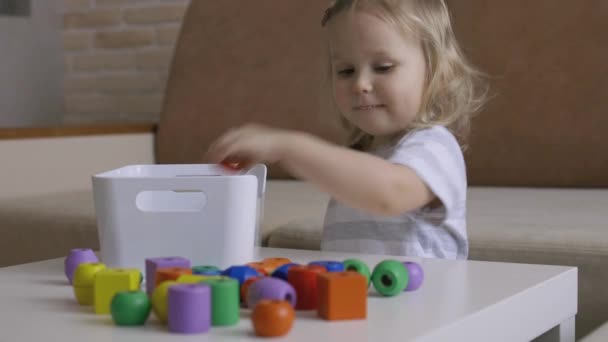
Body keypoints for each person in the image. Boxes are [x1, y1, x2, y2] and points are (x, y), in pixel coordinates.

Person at [205, 0, 487, 259]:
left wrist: (289, 147)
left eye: (383, 67)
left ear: (437, 72)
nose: (360, 84)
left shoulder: (435, 145)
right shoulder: (365, 155)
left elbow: (390, 194)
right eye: (346, 71)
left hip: (429, 308)